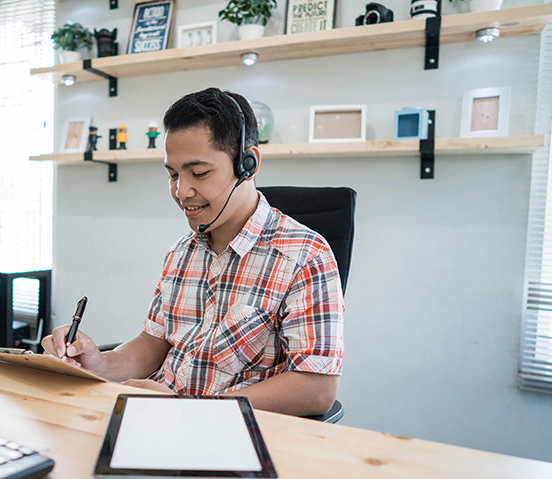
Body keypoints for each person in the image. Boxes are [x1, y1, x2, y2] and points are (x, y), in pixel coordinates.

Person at [43, 88, 344, 416]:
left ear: (248, 164)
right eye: (172, 174)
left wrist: (190, 408)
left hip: (232, 437)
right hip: (156, 422)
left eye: (199, 173)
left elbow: (316, 389)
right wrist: (98, 363)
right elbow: (153, 345)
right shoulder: (181, 252)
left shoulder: (305, 256)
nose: (181, 191)